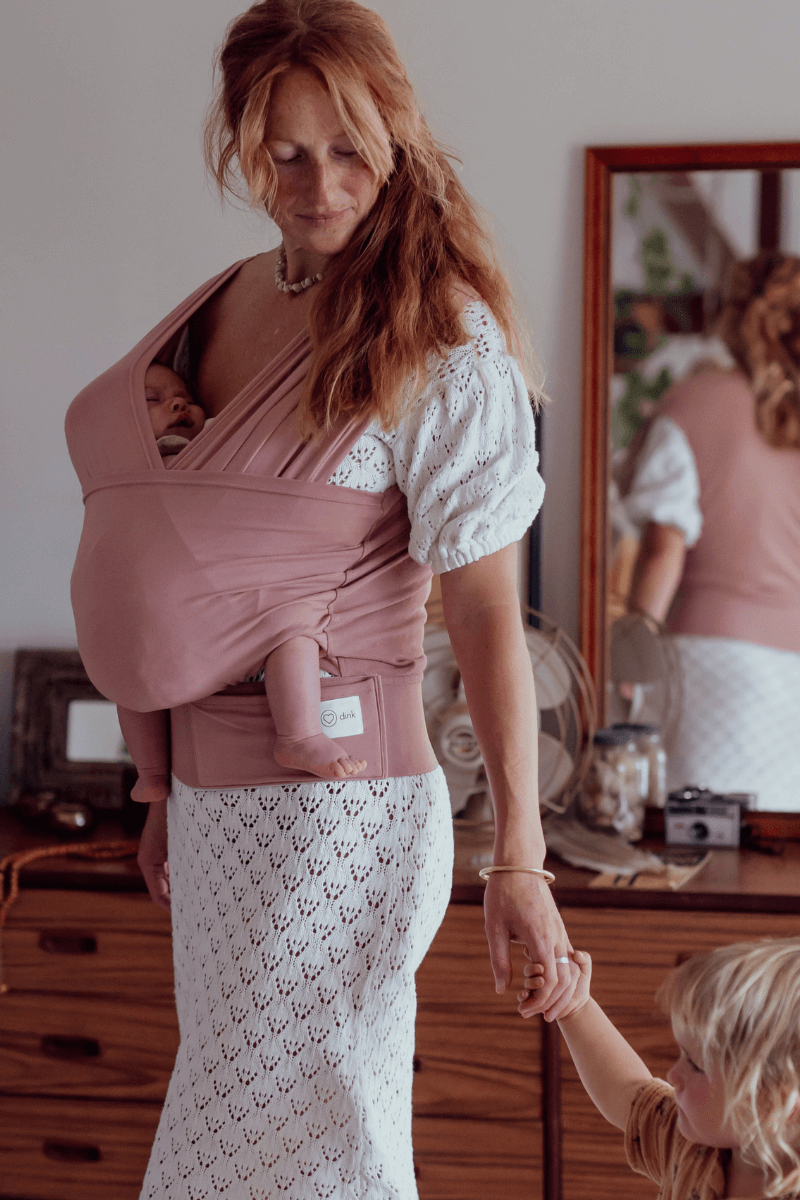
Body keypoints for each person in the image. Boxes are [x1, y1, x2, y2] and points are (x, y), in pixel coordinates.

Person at [65, 2, 579, 1196]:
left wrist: (519, 856)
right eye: (284, 151)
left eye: (347, 148)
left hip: (339, 810)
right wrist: (161, 793)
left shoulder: (441, 336)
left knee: (295, 1143)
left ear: (395, 135)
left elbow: (484, 611)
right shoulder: (232, 294)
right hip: (208, 797)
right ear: (242, 143)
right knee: (259, 1138)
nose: (317, 183)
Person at [122, 365, 370, 785]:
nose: (179, 404)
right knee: (128, 673)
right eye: (152, 399)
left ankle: (300, 734)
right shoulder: (125, 467)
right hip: (161, 616)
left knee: (292, 634)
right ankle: (149, 772)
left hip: (234, 608)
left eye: (186, 397)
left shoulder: (215, 447)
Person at [619, 252, 800, 808]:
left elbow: (661, 552)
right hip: (792, 677)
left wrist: (633, 656)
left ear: (730, 314)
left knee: (698, 850)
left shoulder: (695, 403)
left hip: (710, 665)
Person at [519, 939, 800, 1199]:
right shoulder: (696, 1150)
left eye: (695, 1065)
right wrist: (573, 1007)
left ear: (777, 1099)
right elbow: (627, 1092)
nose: (673, 1075)